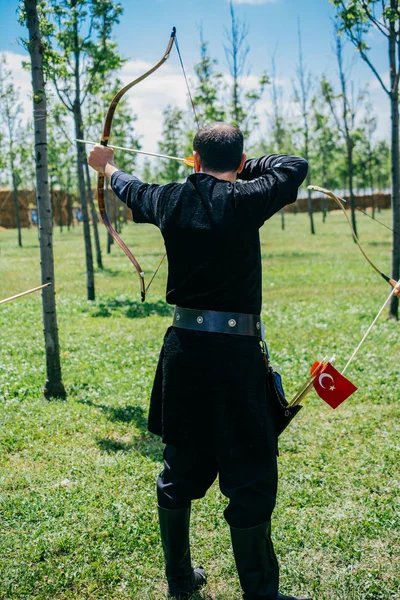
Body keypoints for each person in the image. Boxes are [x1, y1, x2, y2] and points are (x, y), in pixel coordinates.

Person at [88, 123, 310, 600]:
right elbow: (295, 167)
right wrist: (246, 167)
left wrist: (105, 165)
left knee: (180, 465)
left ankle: (180, 583)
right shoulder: (249, 196)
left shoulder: (169, 198)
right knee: (249, 470)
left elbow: (129, 187)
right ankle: (259, 595)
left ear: (193, 159)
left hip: (185, 354)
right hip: (233, 357)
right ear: (241, 157)